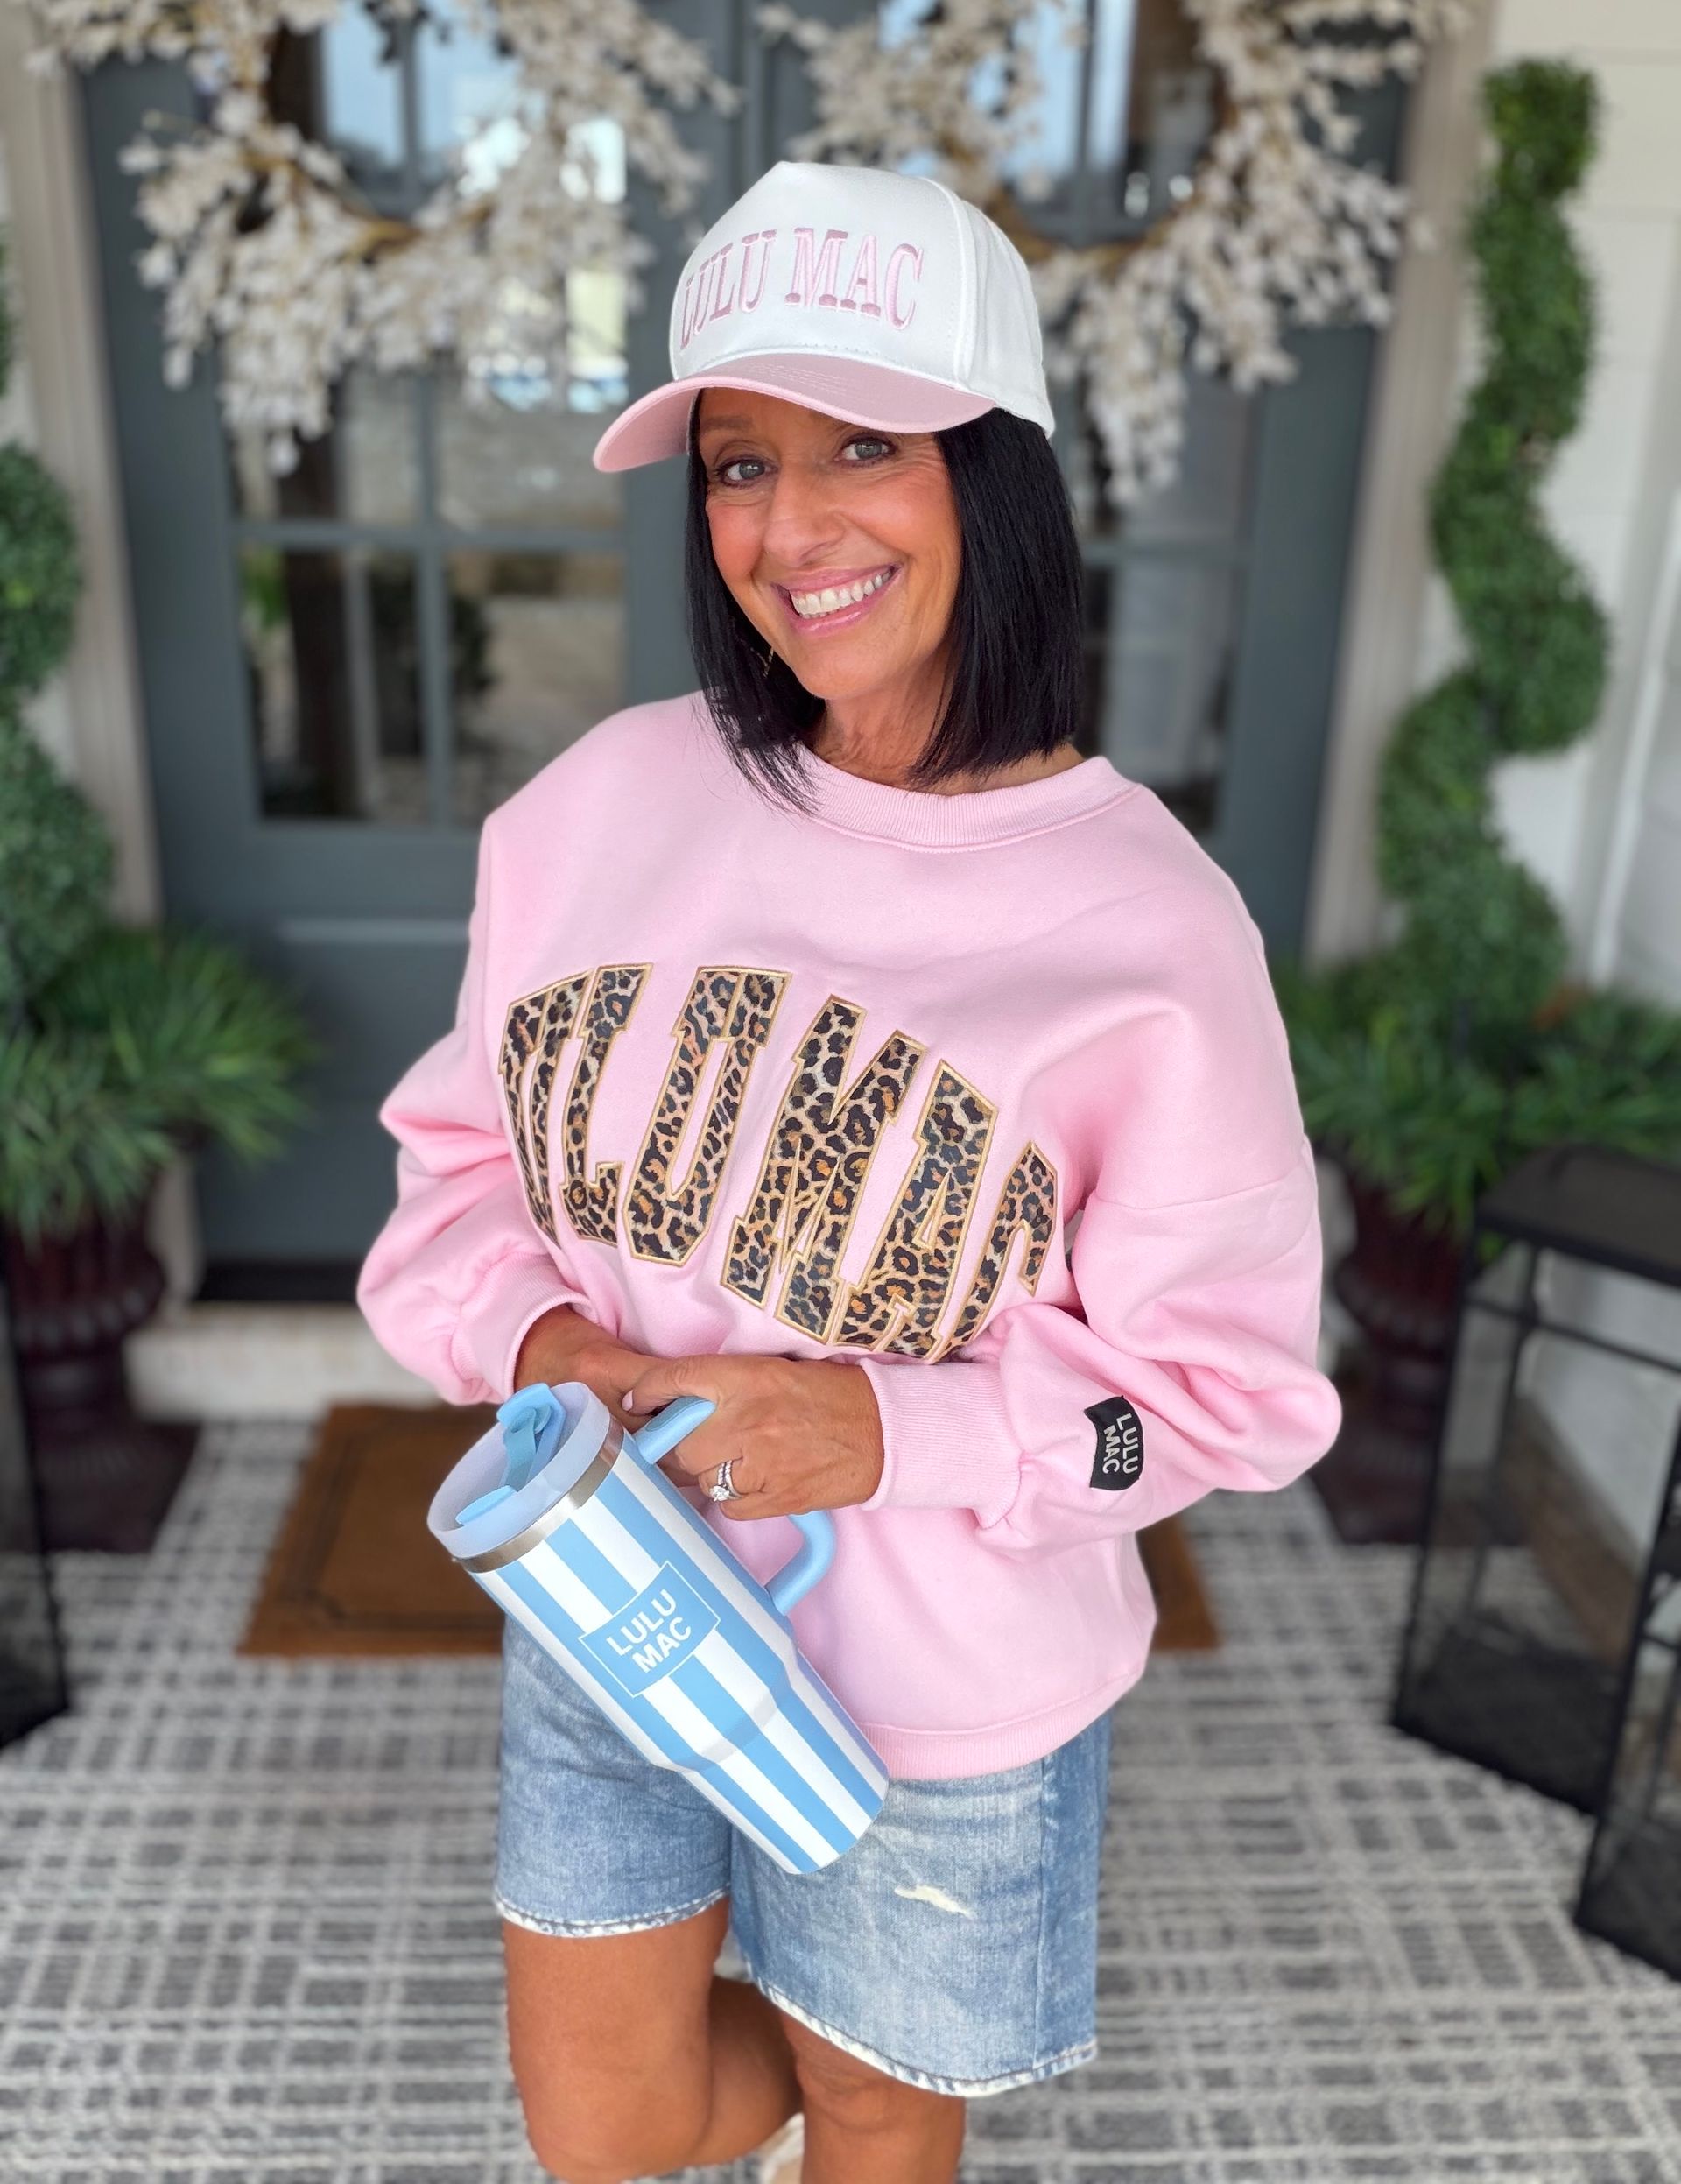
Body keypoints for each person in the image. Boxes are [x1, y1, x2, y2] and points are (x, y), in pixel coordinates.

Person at [356, 158, 1342, 2184]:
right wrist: (546, 1331)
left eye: (862, 446)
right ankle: (904, 2042)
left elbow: (1230, 1403)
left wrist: (885, 1433)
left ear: (993, 474)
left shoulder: (1152, 933)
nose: (788, 527)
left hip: (944, 1707)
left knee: (885, 2124)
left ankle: (908, 2053)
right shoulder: (594, 809)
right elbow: (454, 1173)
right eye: (735, 461)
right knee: (605, 2122)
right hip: (615, 1611)